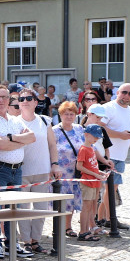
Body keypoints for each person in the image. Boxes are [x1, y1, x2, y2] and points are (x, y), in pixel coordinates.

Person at [0, 85, 36, 258]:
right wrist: (19, 141)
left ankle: (12, 243)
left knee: (15, 208)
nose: (0, 100)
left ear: (9, 100)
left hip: (16, 170)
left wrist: (11, 138)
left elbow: (32, 137)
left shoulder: (16, 120)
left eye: (4, 97)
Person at [17, 88, 62, 254]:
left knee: (41, 207)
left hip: (42, 170)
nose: (26, 101)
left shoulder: (45, 120)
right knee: (22, 208)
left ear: (36, 102)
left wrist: (55, 164)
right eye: (22, 99)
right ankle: (25, 241)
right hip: (22, 171)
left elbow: (52, 145)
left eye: (29, 98)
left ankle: (36, 240)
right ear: (18, 103)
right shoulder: (14, 122)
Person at [53, 101, 85, 236]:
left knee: (72, 199)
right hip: (61, 171)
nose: (69, 117)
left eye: (72, 114)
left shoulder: (79, 129)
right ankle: (58, 227)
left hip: (76, 170)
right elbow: (50, 150)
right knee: (61, 200)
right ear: (61, 115)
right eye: (66, 114)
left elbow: (87, 146)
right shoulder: (54, 131)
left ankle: (68, 227)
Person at [100, 83, 130, 202]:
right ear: (117, 93)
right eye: (124, 92)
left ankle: (103, 218)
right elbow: (100, 128)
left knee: (111, 191)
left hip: (121, 157)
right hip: (106, 156)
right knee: (108, 191)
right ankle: (109, 219)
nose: (126, 96)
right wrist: (120, 135)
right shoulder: (108, 108)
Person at [77, 125, 109, 241]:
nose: (96, 138)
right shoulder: (84, 149)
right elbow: (79, 166)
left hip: (94, 181)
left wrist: (100, 173)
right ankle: (83, 232)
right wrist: (95, 174)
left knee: (90, 206)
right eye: (94, 136)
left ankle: (87, 230)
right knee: (86, 207)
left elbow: (93, 166)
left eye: (97, 137)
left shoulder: (91, 148)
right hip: (87, 181)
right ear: (86, 135)